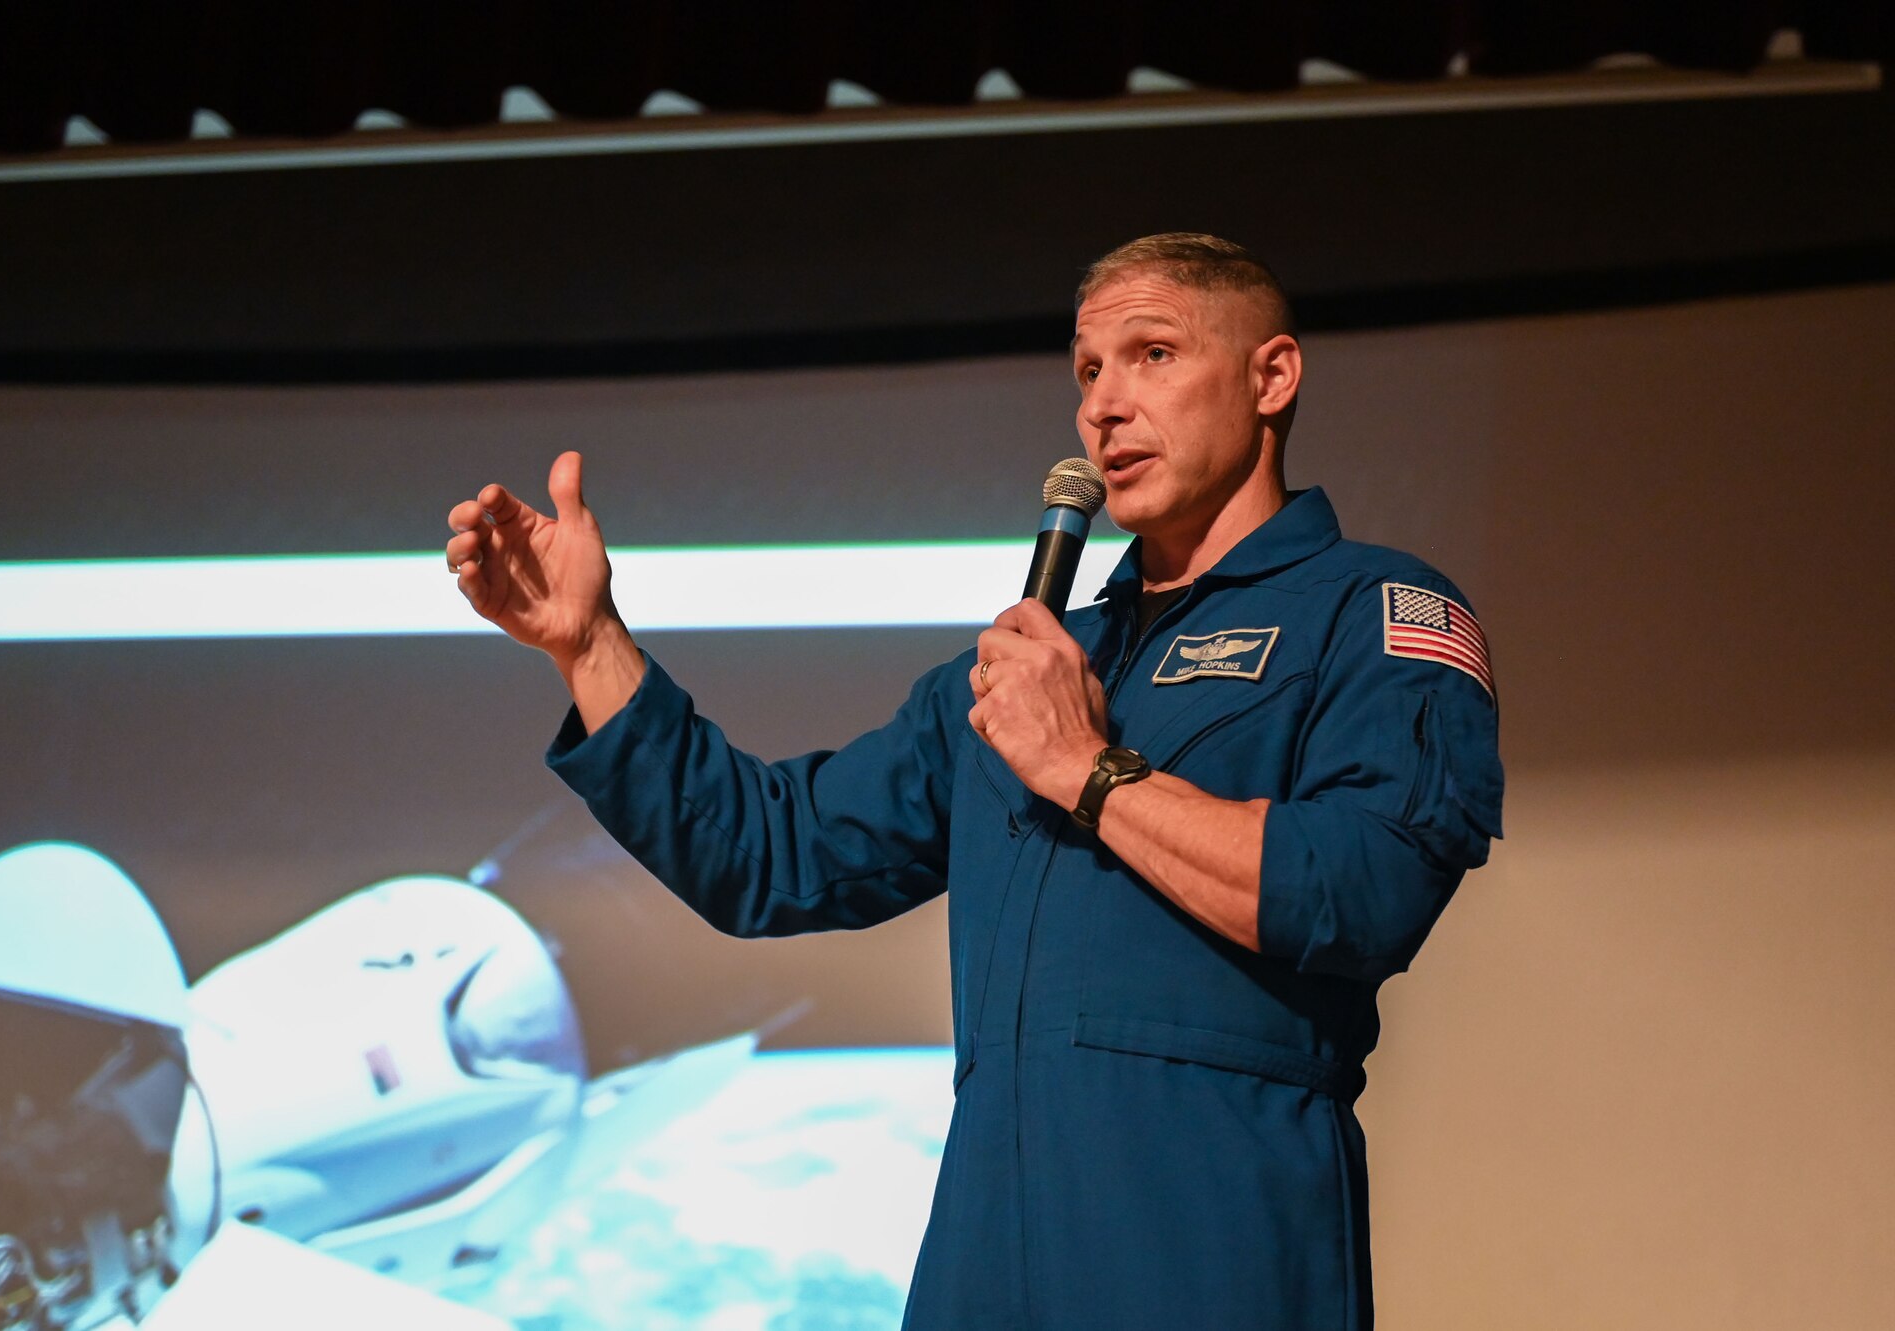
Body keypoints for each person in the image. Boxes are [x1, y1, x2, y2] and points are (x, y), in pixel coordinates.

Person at [445, 233, 1503, 1330]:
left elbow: (1362, 887)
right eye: (1086, 370)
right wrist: (590, 644)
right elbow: (767, 857)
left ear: (1270, 375)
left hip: (1208, 1239)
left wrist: (1085, 769)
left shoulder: (1365, 610)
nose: (1104, 406)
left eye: (1151, 355)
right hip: (985, 1253)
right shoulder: (1025, 666)